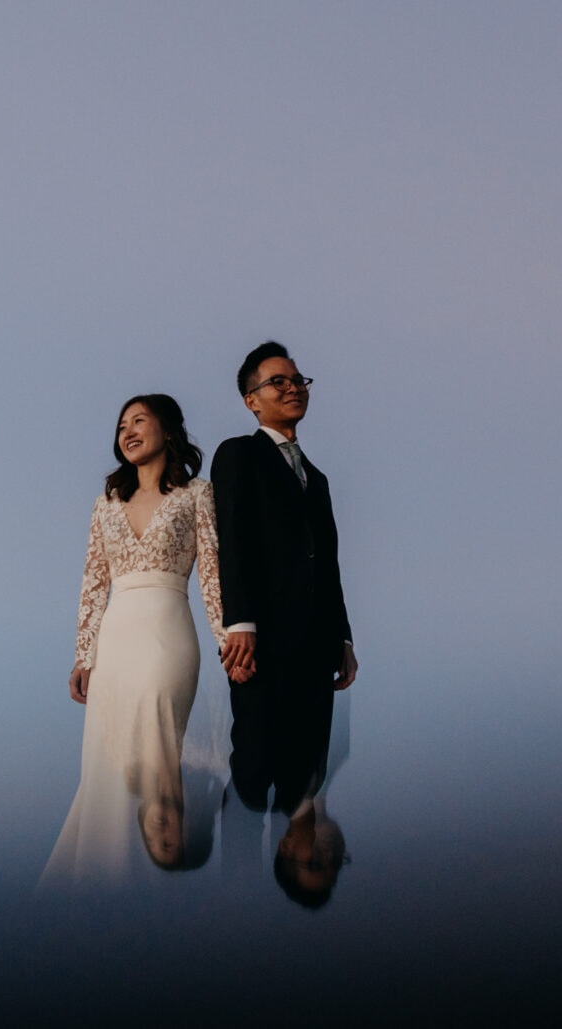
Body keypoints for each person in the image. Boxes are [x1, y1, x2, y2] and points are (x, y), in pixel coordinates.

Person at [40, 394, 227, 884]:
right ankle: (110, 877)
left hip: (168, 633)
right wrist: (84, 655)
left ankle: (161, 868)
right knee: (108, 763)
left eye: (139, 420)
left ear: (168, 430)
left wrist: (227, 639)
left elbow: (212, 572)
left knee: (160, 748)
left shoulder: (196, 494)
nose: (127, 430)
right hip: (114, 642)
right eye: (122, 424)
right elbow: (93, 582)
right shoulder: (106, 503)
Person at [213, 342, 357, 820]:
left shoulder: (317, 479)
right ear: (251, 399)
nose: (293, 388)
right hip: (262, 644)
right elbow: (231, 540)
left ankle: (288, 888)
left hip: (317, 648)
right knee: (253, 770)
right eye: (279, 381)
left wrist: (344, 636)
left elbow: (328, 562)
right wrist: (241, 624)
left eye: (298, 380)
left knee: (303, 785)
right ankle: (236, 891)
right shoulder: (238, 455)